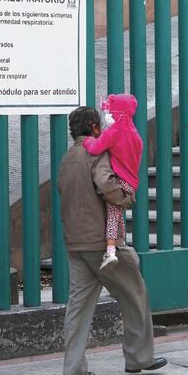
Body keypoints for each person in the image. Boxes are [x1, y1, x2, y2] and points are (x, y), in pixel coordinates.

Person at [57, 106, 167, 375]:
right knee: (134, 293)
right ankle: (139, 358)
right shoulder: (96, 154)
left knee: (78, 307)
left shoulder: (67, 159)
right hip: (103, 243)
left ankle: (74, 371)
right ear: (95, 128)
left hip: (76, 243)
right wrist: (126, 196)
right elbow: (106, 183)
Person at [83, 94, 143, 269]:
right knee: (118, 213)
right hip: (131, 183)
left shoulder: (113, 132)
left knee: (112, 213)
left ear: (118, 113)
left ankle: (110, 251)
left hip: (119, 181)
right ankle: (121, 242)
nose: (107, 115)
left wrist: (87, 140)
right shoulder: (135, 135)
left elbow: (95, 148)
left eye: (110, 111)